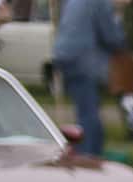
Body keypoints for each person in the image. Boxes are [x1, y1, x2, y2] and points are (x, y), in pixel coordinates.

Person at [52, 0, 127, 157]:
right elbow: (110, 35)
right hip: (83, 59)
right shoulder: (101, 2)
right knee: (89, 112)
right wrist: (122, 44)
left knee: (85, 108)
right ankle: (89, 155)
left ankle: (88, 151)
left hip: (65, 55)